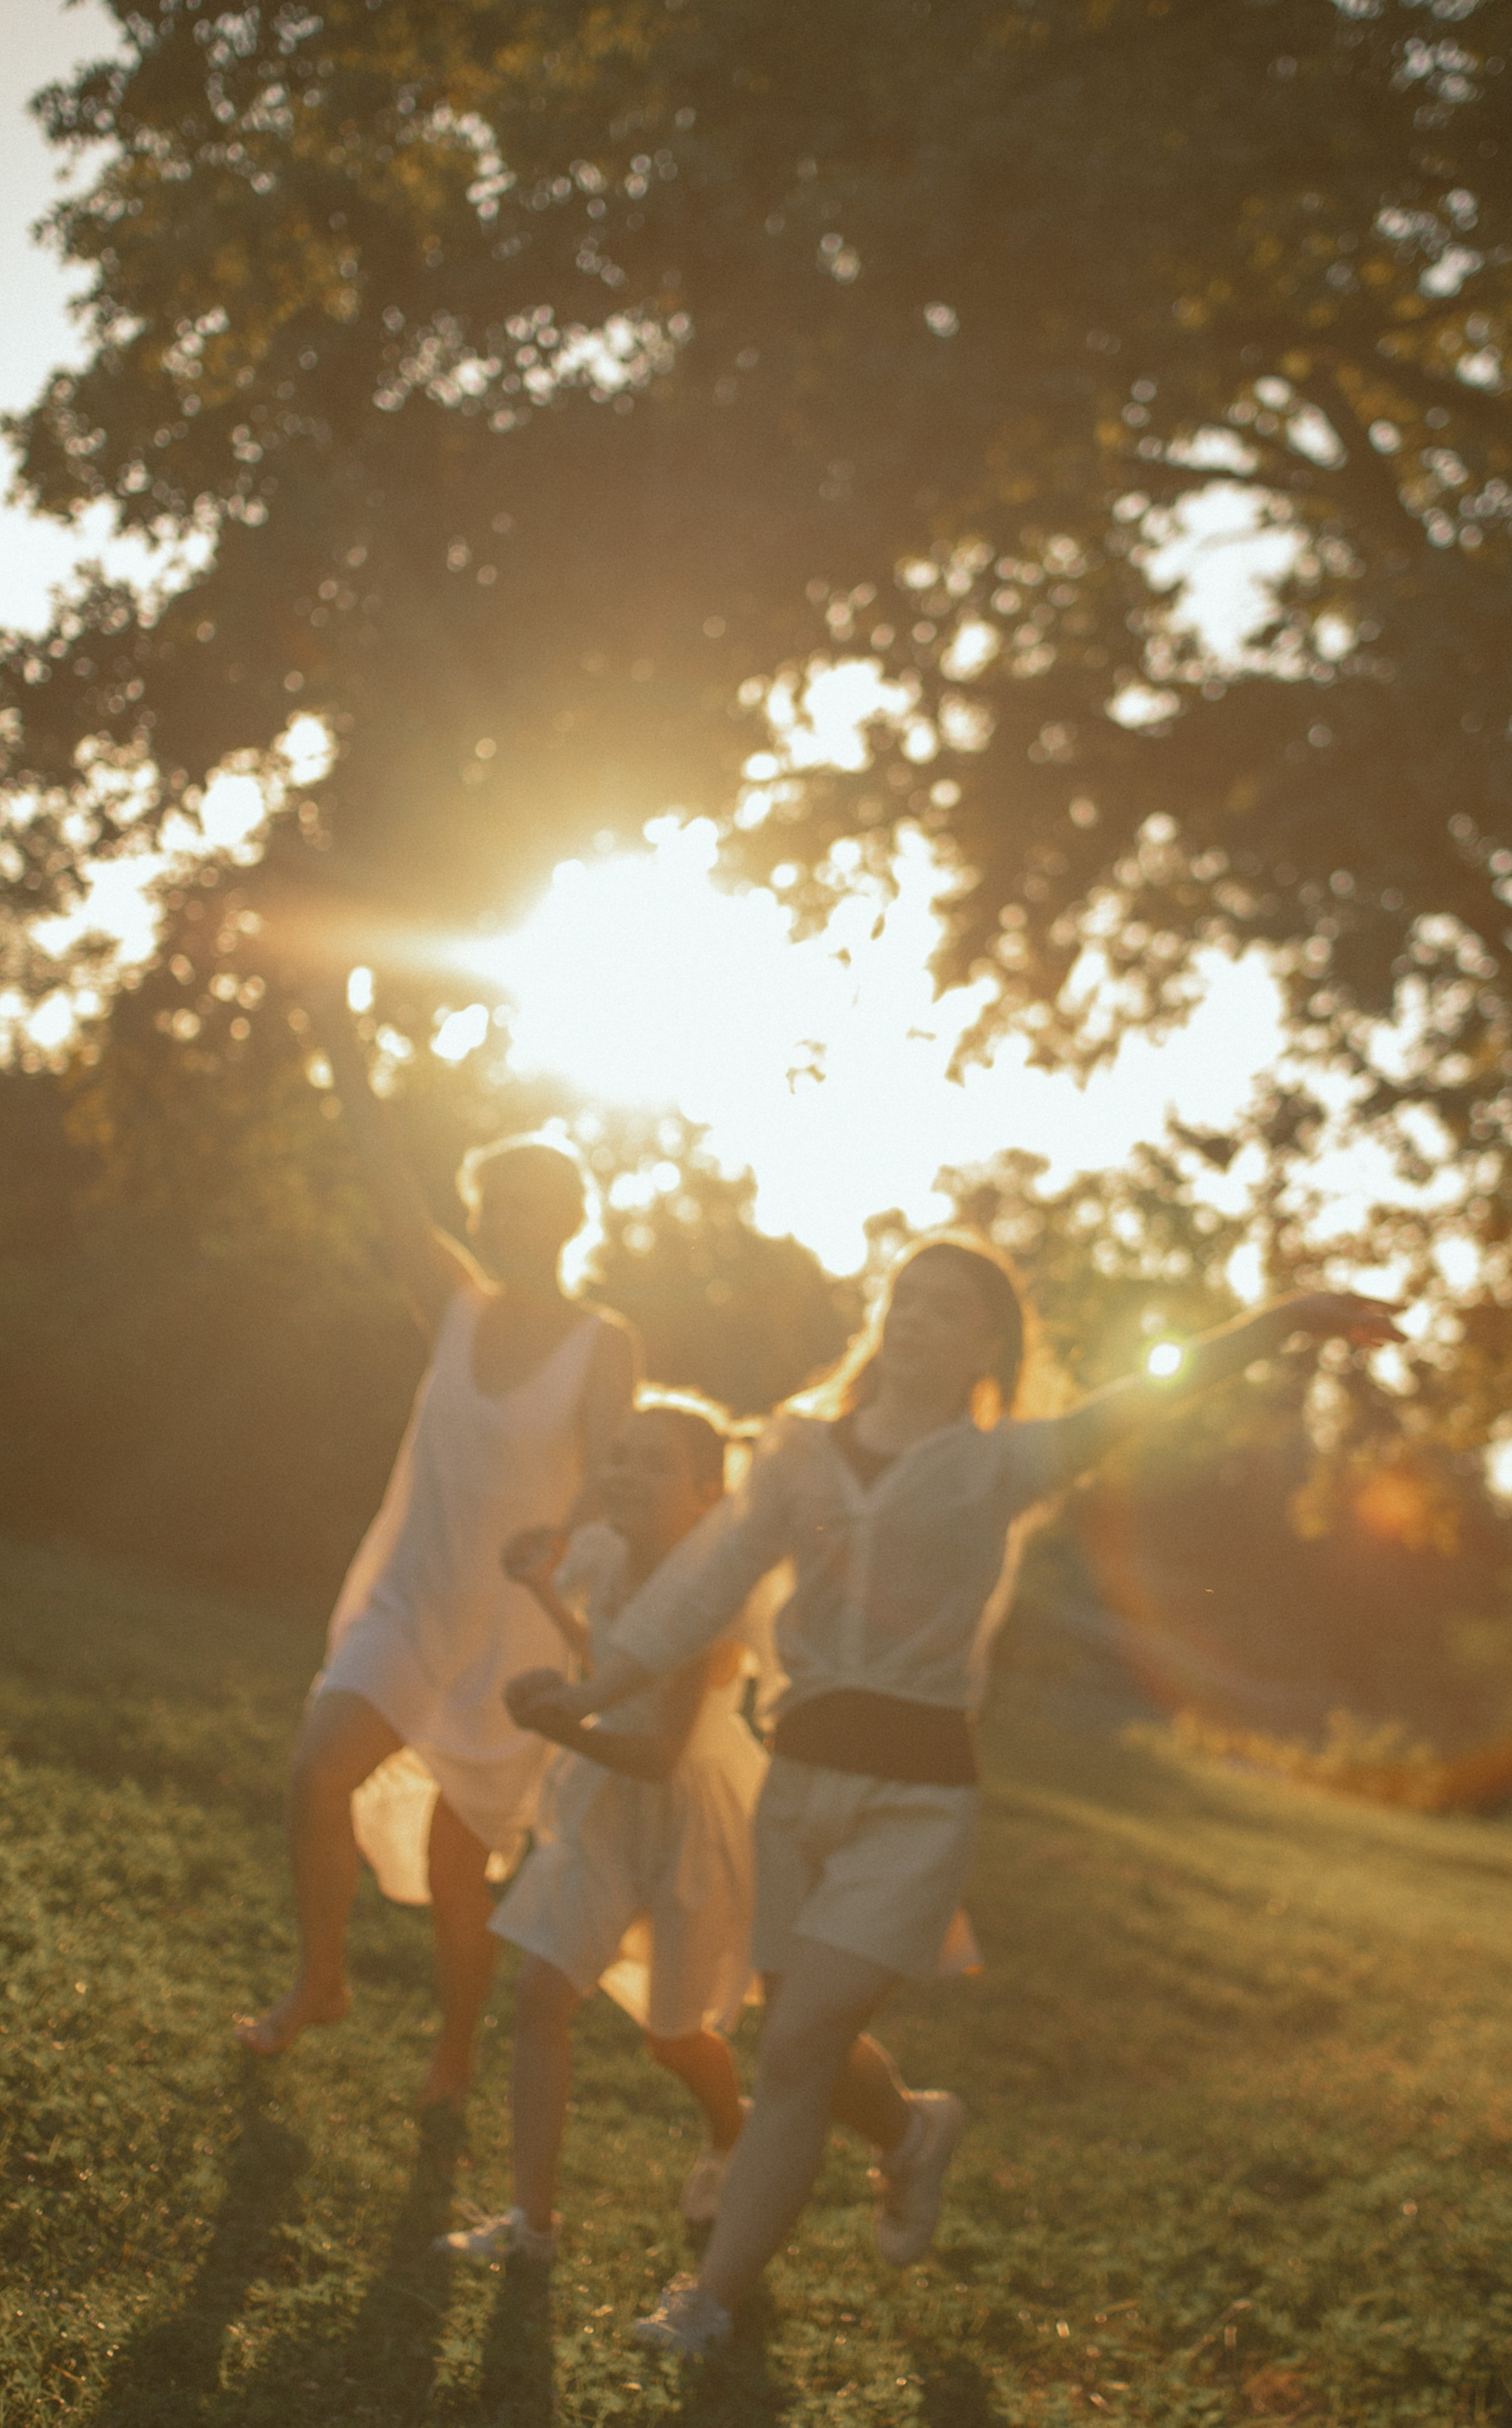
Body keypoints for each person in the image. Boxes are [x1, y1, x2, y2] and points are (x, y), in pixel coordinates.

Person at [511, 1233, 1400, 2356]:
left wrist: (1287, 1318)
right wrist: (593, 1690)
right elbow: (707, 1580)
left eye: (948, 1308)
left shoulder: (1007, 1462)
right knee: (805, 2044)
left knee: (794, 2051)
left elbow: (1151, 1394)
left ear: (989, 1345)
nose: (917, 1319)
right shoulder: (795, 1451)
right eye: (906, 1298)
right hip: (796, 1784)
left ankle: (709, 2303)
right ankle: (914, 2131)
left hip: (917, 1800)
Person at [234, 985, 635, 2107]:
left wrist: (565, 1535)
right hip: (411, 1598)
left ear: (571, 1219)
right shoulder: (452, 1305)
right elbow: (385, 1181)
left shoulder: (603, 1342)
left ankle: (454, 2056)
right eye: (493, 1204)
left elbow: (613, 1481)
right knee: (318, 1772)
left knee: (461, 1875)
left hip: (514, 1640)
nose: (508, 1221)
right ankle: (321, 1980)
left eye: (530, 1205)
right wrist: (336, 1031)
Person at [437, 1396, 767, 2264]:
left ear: (706, 1495)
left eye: (655, 1463)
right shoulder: (615, 1557)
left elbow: (659, 1752)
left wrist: (557, 1724)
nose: (625, 1474)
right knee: (540, 1995)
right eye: (620, 1456)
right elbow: (612, 1663)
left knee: (674, 2038)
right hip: (605, 1809)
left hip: (687, 1815)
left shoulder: (708, 1595)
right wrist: (546, 1596)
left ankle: (733, 2131)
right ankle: (532, 2225)